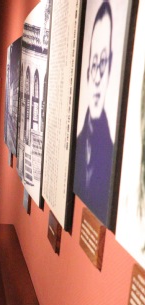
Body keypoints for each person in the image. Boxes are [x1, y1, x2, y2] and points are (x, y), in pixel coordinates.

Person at [74, 1, 114, 224]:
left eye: (103, 63)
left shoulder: (112, 150)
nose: (98, 77)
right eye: (94, 63)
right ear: (88, 71)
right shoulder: (78, 142)